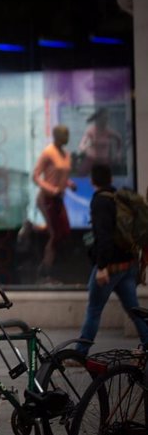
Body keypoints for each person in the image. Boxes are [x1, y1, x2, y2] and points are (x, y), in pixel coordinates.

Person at [75, 164, 148, 356]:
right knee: (134, 311)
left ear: (92, 180)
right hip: (127, 265)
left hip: (111, 267)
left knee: (94, 310)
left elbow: (104, 237)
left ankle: (80, 353)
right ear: (110, 179)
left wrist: (102, 267)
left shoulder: (100, 202)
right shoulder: (118, 198)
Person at [32, 125, 77, 283]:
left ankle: (49, 270)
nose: (67, 136)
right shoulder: (48, 152)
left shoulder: (66, 154)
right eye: (64, 134)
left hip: (58, 199)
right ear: (56, 135)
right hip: (47, 199)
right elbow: (36, 176)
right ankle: (45, 272)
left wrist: (69, 184)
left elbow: (62, 175)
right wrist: (52, 189)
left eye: (68, 133)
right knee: (55, 234)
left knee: (63, 233)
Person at [77, 108, 123, 176]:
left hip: (104, 161)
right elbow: (81, 145)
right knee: (81, 174)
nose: (106, 120)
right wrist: (86, 147)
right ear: (98, 119)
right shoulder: (91, 130)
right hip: (91, 160)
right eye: (104, 118)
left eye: (107, 118)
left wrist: (119, 153)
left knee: (105, 179)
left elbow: (119, 139)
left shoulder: (108, 131)